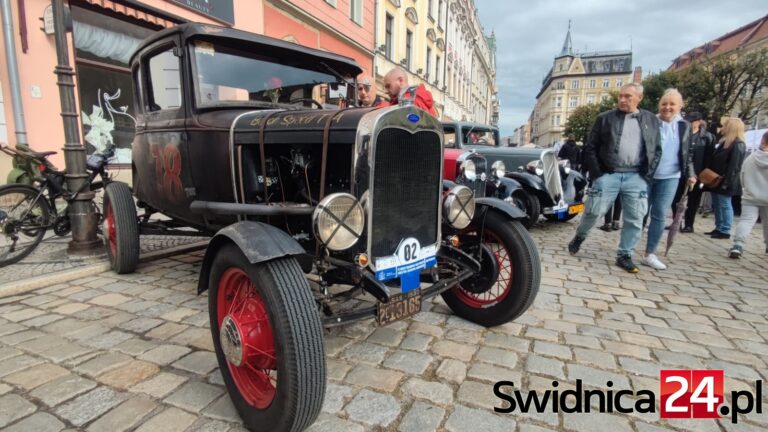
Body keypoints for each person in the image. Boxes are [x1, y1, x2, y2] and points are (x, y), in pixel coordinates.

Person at [568, 83, 662, 273]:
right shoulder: (605, 119)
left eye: (627, 96)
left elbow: (656, 150)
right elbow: (590, 148)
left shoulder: (650, 120)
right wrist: (598, 175)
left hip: (636, 176)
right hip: (608, 174)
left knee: (635, 218)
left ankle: (624, 254)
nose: (622, 100)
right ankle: (580, 235)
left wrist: (646, 176)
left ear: (639, 98)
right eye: (620, 96)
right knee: (594, 211)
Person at [641, 89, 696, 270]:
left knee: (659, 215)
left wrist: (691, 174)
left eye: (672, 104)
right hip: (647, 175)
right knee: (639, 212)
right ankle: (626, 248)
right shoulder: (650, 122)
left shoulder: (684, 126)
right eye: (664, 103)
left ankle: (650, 253)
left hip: (670, 176)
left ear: (680, 106)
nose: (667, 107)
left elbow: (687, 154)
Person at [703, 117, 747, 239]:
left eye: (725, 125)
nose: (722, 128)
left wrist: (726, 182)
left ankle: (725, 229)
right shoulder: (725, 143)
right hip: (717, 179)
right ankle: (719, 227)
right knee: (717, 204)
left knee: (724, 204)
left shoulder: (738, 144)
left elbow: (734, 166)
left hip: (726, 180)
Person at [729, 131, 768, 258]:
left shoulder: (751, 158)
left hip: (751, 195)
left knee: (746, 220)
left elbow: (742, 175)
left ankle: (738, 245)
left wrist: (746, 189)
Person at [677, 113, 715, 232]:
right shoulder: (682, 134)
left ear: (698, 122)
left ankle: (689, 224)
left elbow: (709, 158)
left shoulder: (707, 137)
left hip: (698, 173)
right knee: (677, 199)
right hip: (681, 172)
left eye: (692, 121)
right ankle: (677, 221)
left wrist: (703, 174)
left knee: (693, 200)